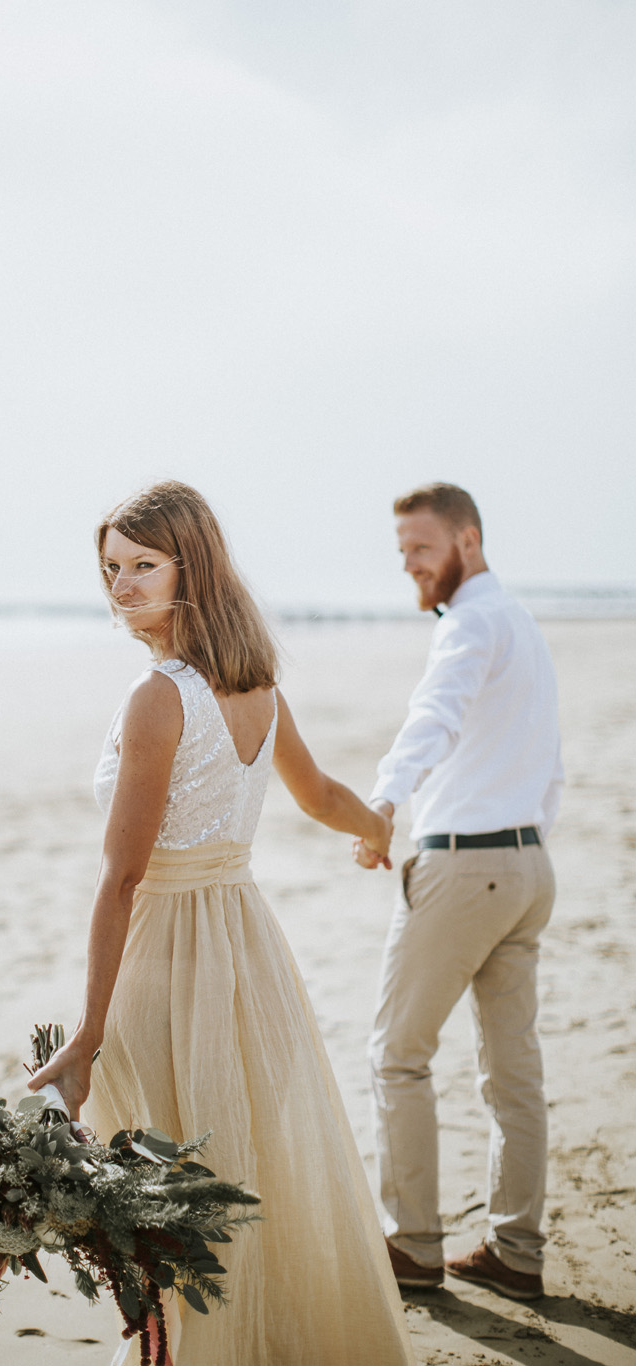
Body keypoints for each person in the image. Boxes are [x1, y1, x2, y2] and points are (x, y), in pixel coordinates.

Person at [30, 481, 414, 1365]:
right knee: (241, 1168)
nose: (121, 588)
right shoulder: (255, 680)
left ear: (188, 567)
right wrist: (375, 828)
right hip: (246, 943)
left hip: (166, 952)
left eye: (142, 567)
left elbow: (121, 878)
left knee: (172, 1184)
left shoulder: (158, 696)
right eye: (110, 570)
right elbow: (320, 796)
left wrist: (87, 1034)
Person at [353, 482, 562, 1302]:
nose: (409, 564)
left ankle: (411, 1247)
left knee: (396, 1056)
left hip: (467, 867)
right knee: (512, 1073)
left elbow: (431, 718)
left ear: (466, 542)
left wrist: (380, 801)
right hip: (525, 867)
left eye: (421, 548)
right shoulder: (520, 624)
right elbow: (550, 761)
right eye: (402, 550)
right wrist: (529, 845)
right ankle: (516, 1253)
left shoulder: (472, 624)